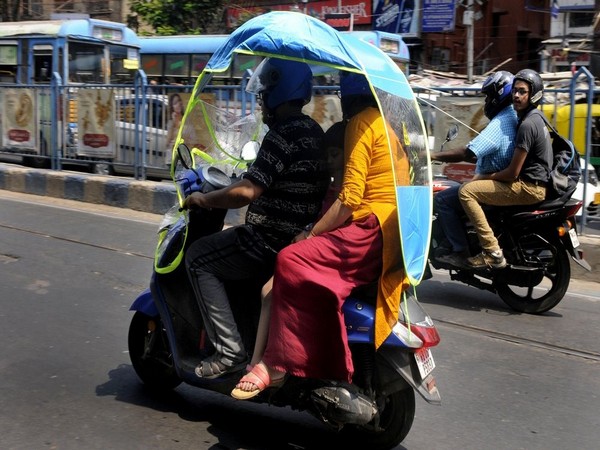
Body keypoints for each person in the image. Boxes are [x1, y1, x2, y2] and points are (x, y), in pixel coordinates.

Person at [230, 72, 411, 400]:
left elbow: (350, 197)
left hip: (368, 230)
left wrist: (310, 234)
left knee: (289, 258)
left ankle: (277, 364)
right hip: (389, 233)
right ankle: (276, 360)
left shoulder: (361, 123)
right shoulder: (388, 127)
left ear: (350, 97)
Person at [183, 58, 330, 379]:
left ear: (279, 92)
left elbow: (247, 192)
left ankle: (229, 352)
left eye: (265, 94)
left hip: (267, 240)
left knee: (197, 258)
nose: (261, 101)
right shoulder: (313, 130)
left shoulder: (281, 135)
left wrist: (204, 198)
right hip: (296, 240)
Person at [244, 120, 347, 373]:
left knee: (270, 290)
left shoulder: (345, 195)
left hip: (326, 253)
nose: (330, 161)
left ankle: (262, 364)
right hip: (322, 248)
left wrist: (308, 235)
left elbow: (331, 224)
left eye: (335, 155)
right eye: (328, 156)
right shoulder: (333, 187)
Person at [458, 69, 552, 269]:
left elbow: (512, 173)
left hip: (528, 188)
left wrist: (483, 176)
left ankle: (492, 251)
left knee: (466, 192)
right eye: (515, 91)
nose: (517, 96)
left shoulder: (527, 125)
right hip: (532, 183)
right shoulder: (536, 117)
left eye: (523, 92)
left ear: (534, 94)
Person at [432, 71, 517, 268]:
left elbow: (469, 153)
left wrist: (433, 156)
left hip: (493, 184)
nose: (487, 101)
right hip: (495, 179)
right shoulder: (511, 117)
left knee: (443, 200)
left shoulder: (501, 122)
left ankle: (459, 251)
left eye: (488, 96)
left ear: (499, 94)